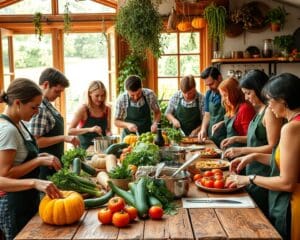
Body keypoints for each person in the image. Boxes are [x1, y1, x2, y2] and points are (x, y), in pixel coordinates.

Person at [226, 73, 300, 240]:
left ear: (283, 100)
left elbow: (287, 182)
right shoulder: (294, 123)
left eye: (270, 100)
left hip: (292, 204)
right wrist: (255, 157)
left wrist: (249, 178)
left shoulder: (291, 128)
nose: (269, 105)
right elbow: (288, 162)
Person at [0, 78, 62, 240]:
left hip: (25, 198)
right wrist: (38, 162)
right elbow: (4, 175)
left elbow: (19, 160)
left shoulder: (19, 123)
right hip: (12, 203)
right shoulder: (8, 130)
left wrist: (41, 156)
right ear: (18, 103)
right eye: (33, 107)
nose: (36, 112)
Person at [223, 70, 283, 216]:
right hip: (253, 170)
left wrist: (242, 151)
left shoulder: (270, 112)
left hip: (265, 173)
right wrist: (237, 139)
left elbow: (272, 148)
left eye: (248, 93)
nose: (246, 97)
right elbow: (256, 138)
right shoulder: (261, 110)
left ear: (259, 89)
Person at [28, 68, 80, 180]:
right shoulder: (40, 108)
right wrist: (63, 137)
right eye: (57, 91)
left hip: (53, 165)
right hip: (44, 170)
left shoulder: (47, 105)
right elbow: (37, 141)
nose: (59, 96)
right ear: (46, 85)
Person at [214, 77, 256, 149]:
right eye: (222, 96)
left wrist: (235, 139)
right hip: (230, 151)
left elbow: (250, 138)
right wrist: (223, 122)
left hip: (241, 153)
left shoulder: (245, 109)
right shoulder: (232, 106)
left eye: (225, 95)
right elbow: (237, 122)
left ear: (234, 93)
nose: (223, 99)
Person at [68, 80, 112, 149]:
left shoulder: (107, 109)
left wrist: (109, 134)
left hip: (102, 149)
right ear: (89, 94)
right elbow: (70, 131)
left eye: (102, 95)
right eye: (97, 96)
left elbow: (107, 129)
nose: (100, 99)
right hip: (85, 149)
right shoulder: (83, 109)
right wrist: (90, 129)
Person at [198, 66, 226, 147]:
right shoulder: (209, 94)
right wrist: (203, 129)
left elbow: (235, 116)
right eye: (207, 85)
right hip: (212, 137)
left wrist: (223, 123)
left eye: (211, 84)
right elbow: (207, 115)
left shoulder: (228, 93)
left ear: (219, 78)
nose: (210, 87)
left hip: (226, 137)